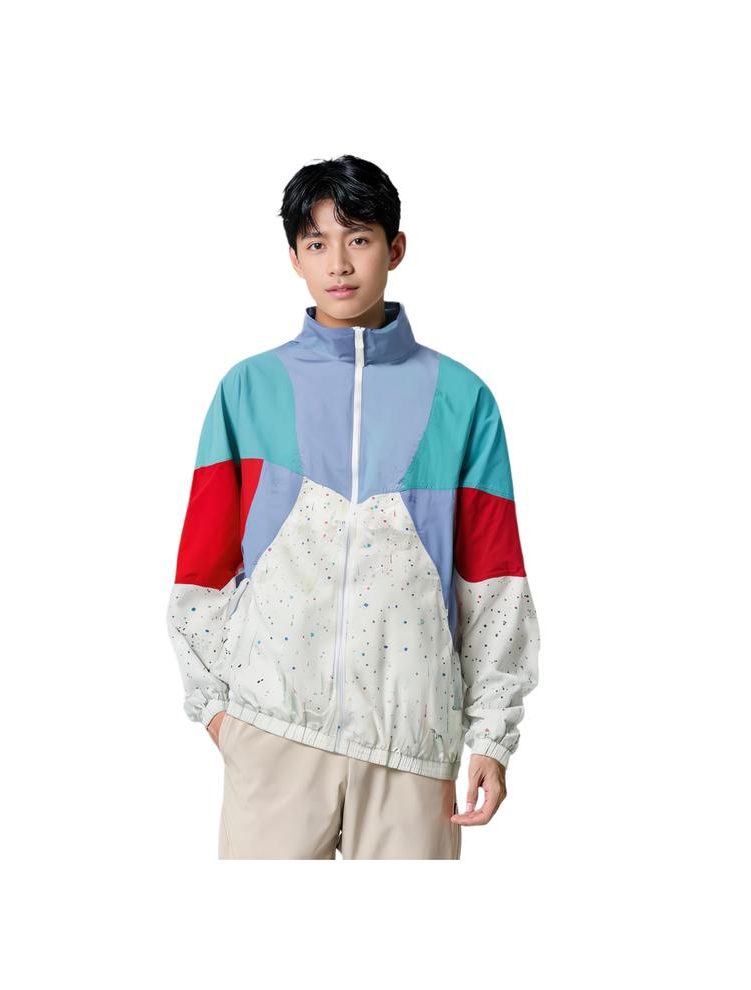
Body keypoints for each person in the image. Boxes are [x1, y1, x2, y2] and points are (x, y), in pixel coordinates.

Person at [166, 154, 541, 859]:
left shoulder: (463, 399)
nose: (338, 263)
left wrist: (492, 736)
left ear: (395, 249)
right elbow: (202, 571)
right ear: (294, 258)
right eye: (317, 243)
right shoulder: (248, 390)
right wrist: (220, 710)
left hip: (412, 745)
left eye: (359, 238)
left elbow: (494, 581)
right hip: (274, 736)